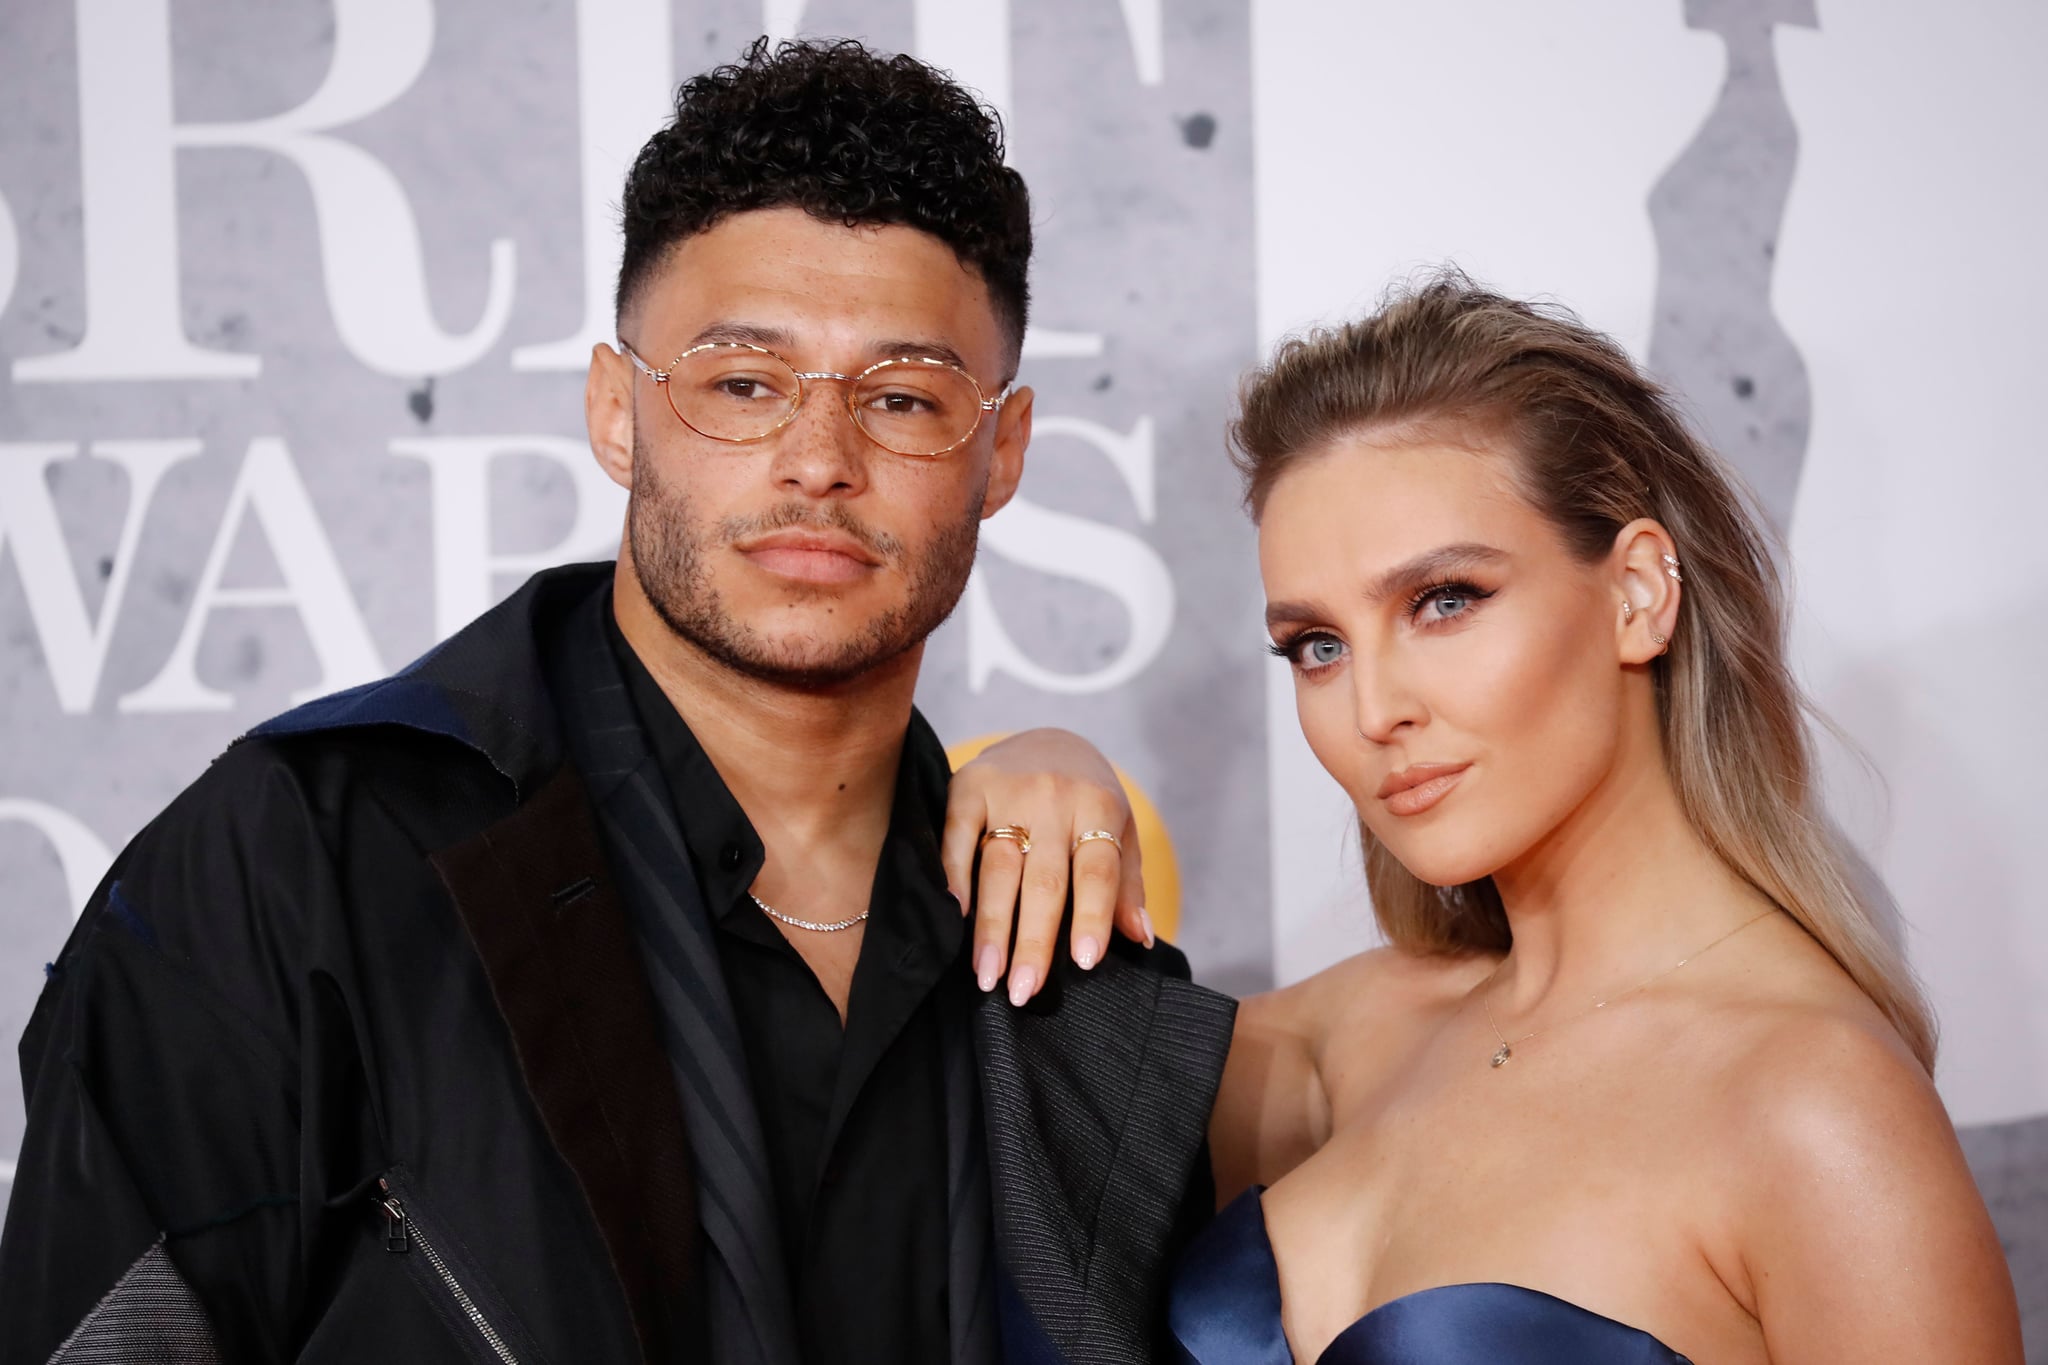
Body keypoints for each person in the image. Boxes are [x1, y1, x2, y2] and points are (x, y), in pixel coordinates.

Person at [0, 39, 1232, 1365]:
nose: (820, 459)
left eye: (903, 397)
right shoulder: (302, 861)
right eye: (744, 383)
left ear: (1004, 452)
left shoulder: (1060, 965)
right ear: (615, 411)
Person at [1167, 276, 2024, 1363]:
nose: (1373, 709)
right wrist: (1028, 778)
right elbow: (981, 1100)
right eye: (1315, 646)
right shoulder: (1356, 1031)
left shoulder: (1814, 1110)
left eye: (1444, 601)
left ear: (1635, 593)